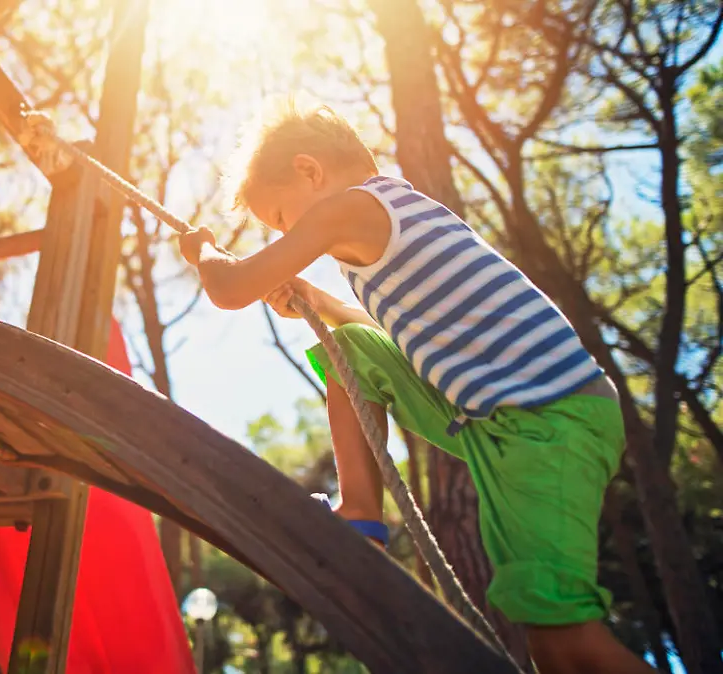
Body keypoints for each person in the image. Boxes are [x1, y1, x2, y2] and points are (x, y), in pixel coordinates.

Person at [177, 96, 653, 674]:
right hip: (498, 420)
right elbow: (395, 344)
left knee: (567, 634)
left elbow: (231, 288)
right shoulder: (394, 214)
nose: (288, 233)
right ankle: (363, 518)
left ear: (309, 171)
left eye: (281, 219)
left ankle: (358, 512)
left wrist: (202, 252)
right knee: (546, 645)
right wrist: (319, 302)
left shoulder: (351, 207)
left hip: (547, 416)